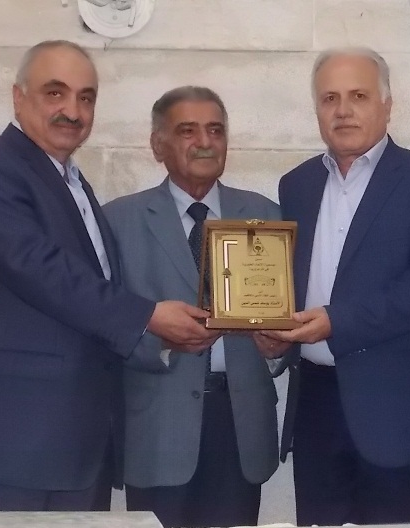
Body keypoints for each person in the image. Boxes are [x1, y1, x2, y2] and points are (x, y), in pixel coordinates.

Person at [0, 40, 216, 511]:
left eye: (86, 97)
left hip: (78, 448)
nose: (73, 111)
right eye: (55, 93)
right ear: (18, 97)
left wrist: (161, 337)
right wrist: (148, 316)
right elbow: (40, 269)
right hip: (3, 445)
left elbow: (90, 306)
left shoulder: (77, 187)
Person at [263, 47, 410, 525]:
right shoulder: (297, 185)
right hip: (315, 410)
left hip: (398, 416)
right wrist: (273, 336)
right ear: (317, 109)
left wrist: (336, 321)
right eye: (329, 98)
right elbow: (288, 283)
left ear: (387, 105)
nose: (343, 110)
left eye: (358, 96)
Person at [103, 86, 282, 528]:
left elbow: (289, 316)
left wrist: (278, 349)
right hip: (157, 429)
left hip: (240, 428)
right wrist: (162, 344)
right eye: (187, 130)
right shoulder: (117, 221)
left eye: (215, 130)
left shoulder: (267, 216)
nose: (205, 141)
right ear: (157, 145)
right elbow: (103, 323)